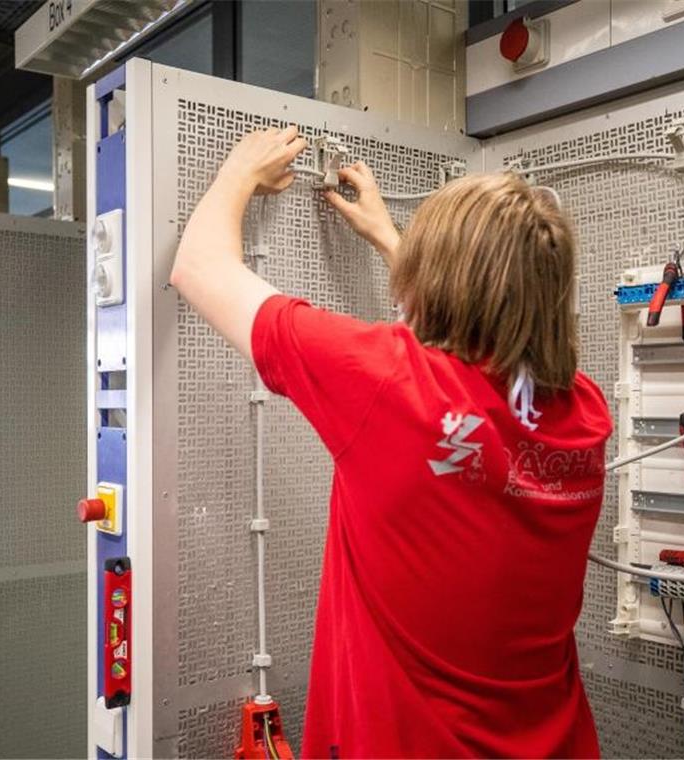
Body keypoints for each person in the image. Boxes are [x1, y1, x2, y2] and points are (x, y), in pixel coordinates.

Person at [169, 126, 612, 758]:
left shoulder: (386, 383)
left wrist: (239, 170)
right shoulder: (584, 413)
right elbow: (475, 356)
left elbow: (200, 267)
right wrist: (390, 239)